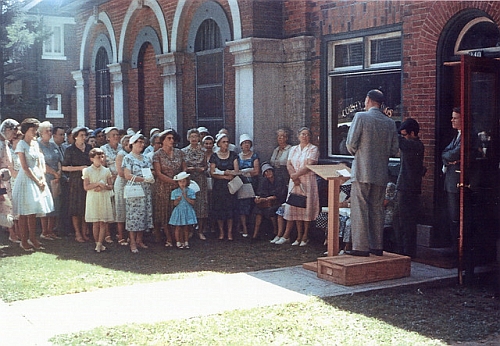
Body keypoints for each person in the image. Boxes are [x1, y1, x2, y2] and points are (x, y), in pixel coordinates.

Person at [345, 89, 399, 256]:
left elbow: (350, 144)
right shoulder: (390, 122)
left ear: (368, 100)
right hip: (381, 172)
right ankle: (377, 245)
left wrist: (360, 154)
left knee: (360, 208)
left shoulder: (361, 117)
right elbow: (394, 149)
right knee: (377, 209)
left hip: (362, 170)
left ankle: (360, 247)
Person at [12, 118, 54, 251]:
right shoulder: (21, 145)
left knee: (33, 212)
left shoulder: (35, 144)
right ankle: (23, 240)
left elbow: (40, 162)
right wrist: (37, 180)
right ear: (25, 131)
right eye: (33, 129)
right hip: (27, 179)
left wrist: (42, 178)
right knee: (25, 213)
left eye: (36, 129)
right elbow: (25, 167)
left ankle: (33, 239)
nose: (35, 132)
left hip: (38, 178)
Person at [275, 127, 320, 246]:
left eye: (307, 134)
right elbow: (289, 163)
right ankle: (298, 236)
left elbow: (309, 165)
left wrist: (296, 175)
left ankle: (305, 236)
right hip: (294, 181)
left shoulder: (313, 149)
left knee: (306, 207)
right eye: (302, 134)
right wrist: (293, 177)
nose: (304, 136)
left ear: (310, 137)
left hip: (307, 181)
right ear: (298, 136)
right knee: (296, 206)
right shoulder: (294, 149)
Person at [392, 118, 425, 258]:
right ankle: (403, 250)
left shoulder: (414, 145)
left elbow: (397, 139)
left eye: (405, 134)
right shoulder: (416, 145)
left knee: (405, 222)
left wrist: (389, 121)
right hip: (407, 187)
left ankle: (406, 252)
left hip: (407, 188)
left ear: (412, 133)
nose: (403, 137)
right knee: (399, 220)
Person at [152, 129, 185, 247]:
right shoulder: (157, 155)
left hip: (178, 186)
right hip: (163, 187)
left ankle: (178, 238)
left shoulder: (180, 153)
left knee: (176, 211)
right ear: (163, 141)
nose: (171, 141)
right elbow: (159, 173)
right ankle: (169, 239)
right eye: (168, 139)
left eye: (173, 138)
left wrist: (181, 180)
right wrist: (173, 182)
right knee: (164, 213)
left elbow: (184, 168)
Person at [123, 132, 155, 253]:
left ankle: (139, 240)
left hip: (145, 189)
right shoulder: (128, 158)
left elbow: (149, 171)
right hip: (134, 189)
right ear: (132, 144)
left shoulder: (146, 157)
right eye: (139, 142)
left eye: (143, 142)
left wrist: (150, 177)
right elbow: (127, 174)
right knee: (133, 216)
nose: (142, 144)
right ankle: (132, 242)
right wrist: (142, 179)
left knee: (143, 214)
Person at [62, 127, 92, 242]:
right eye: (81, 135)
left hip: (87, 180)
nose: (84, 138)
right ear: (75, 137)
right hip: (75, 181)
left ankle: (84, 233)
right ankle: (77, 233)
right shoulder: (70, 150)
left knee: (85, 207)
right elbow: (64, 167)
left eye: (85, 135)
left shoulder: (89, 148)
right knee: (75, 209)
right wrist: (80, 168)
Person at [83, 148, 114, 252]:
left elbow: (110, 186)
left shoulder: (106, 171)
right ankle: (97, 243)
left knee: (103, 221)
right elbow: (86, 187)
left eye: (102, 157)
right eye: (98, 157)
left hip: (103, 197)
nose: (100, 159)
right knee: (95, 222)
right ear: (92, 159)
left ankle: (100, 243)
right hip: (93, 198)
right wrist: (97, 184)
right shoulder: (87, 170)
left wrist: (103, 187)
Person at [210, 132, 239, 240]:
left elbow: (236, 170)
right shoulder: (214, 156)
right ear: (218, 144)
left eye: (227, 142)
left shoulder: (233, 155)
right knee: (219, 209)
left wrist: (228, 173)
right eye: (223, 142)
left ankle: (230, 232)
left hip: (230, 186)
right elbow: (212, 172)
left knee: (230, 209)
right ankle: (221, 232)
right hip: (219, 186)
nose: (226, 144)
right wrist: (224, 176)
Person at [182, 128, 208, 240]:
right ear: (188, 138)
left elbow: (206, 165)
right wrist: (188, 169)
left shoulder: (203, 151)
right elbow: (182, 166)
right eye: (191, 136)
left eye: (195, 136)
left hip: (201, 179)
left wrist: (203, 168)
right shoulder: (183, 151)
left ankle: (200, 230)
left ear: (199, 138)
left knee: (201, 205)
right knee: (189, 203)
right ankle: (190, 230)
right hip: (189, 179)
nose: (193, 139)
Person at [38, 121, 62, 240]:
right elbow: (41, 164)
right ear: (41, 132)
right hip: (45, 177)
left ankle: (51, 230)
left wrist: (59, 173)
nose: (49, 133)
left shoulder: (53, 145)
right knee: (45, 204)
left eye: (50, 130)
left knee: (55, 204)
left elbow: (59, 160)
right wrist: (53, 173)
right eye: (47, 131)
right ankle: (44, 231)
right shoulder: (37, 145)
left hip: (56, 179)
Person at [442, 107, 461, 252]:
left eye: (455, 118)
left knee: (456, 217)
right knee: (451, 216)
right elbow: (445, 153)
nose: (452, 120)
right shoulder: (457, 136)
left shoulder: (466, 136)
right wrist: (449, 158)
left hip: (457, 182)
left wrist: (450, 158)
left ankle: (458, 249)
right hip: (450, 181)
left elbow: (453, 154)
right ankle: (454, 247)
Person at [252, 163, 287, 241]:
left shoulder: (279, 180)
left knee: (271, 210)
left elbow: (279, 195)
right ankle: (255, 234)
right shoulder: (264, 182)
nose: (268, 173)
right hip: (266, 202)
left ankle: (275, 231)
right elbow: (261, 193)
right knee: (258, 211)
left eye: (269, 171)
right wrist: (258, 198)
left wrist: (266, 199)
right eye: (266, 172)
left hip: (278, 202)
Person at [236, 134, 260, 237]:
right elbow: (237, 170)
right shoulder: (238, 157)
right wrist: (242, 172)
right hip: (242, 184)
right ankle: (244, 227)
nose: (246, 145)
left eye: (248, 143)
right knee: (242, 206)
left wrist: (247, 172)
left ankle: (252, 228)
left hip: (253, 184)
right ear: (241, 145)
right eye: (244, 143)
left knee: (252, 205)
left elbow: (256, 171)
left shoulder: (254, 156)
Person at [0, 119, 19, 243]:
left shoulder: (5, 143)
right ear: (7, 130)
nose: (15, 134)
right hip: (1, 183)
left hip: (5, 182)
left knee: (6, 211)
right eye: (14, 131)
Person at [169, 172, 197, 249]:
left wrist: (186, 197)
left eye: (184, 181)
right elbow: (174, 204)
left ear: (187, 182)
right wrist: (177, 200)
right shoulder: (174, 192)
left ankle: (186, 241)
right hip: (179, 211)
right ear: (177, 182)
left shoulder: (191, 191)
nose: (182, 183)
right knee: (178, 227)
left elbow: (193, 202)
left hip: (187, 210)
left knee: (186, 227)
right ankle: (178, 242)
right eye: (180, 181)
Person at [114, 134, 133, 245]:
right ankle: (121, 236)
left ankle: (130, 236)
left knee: (130, 211)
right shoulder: (121, 154)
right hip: (122, 184)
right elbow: (121, 172)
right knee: (121, 210)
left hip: (131, 183)